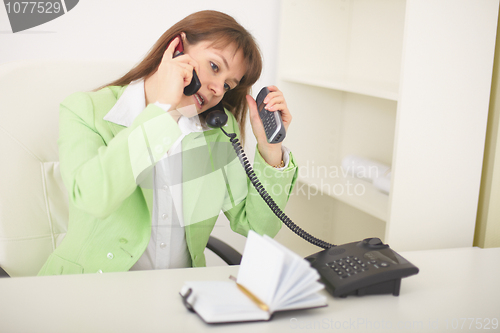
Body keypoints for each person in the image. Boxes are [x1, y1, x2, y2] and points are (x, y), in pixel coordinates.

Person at [38, 10, 298, 275]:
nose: (218, 89)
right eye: (214, 67)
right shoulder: (85, 110)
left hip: (178, 295)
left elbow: (257, 226)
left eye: (228, 85)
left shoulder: (218, 130)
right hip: (87, 293)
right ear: (177, 48)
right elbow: (94, 199)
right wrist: (164, 110)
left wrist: (270, 151)